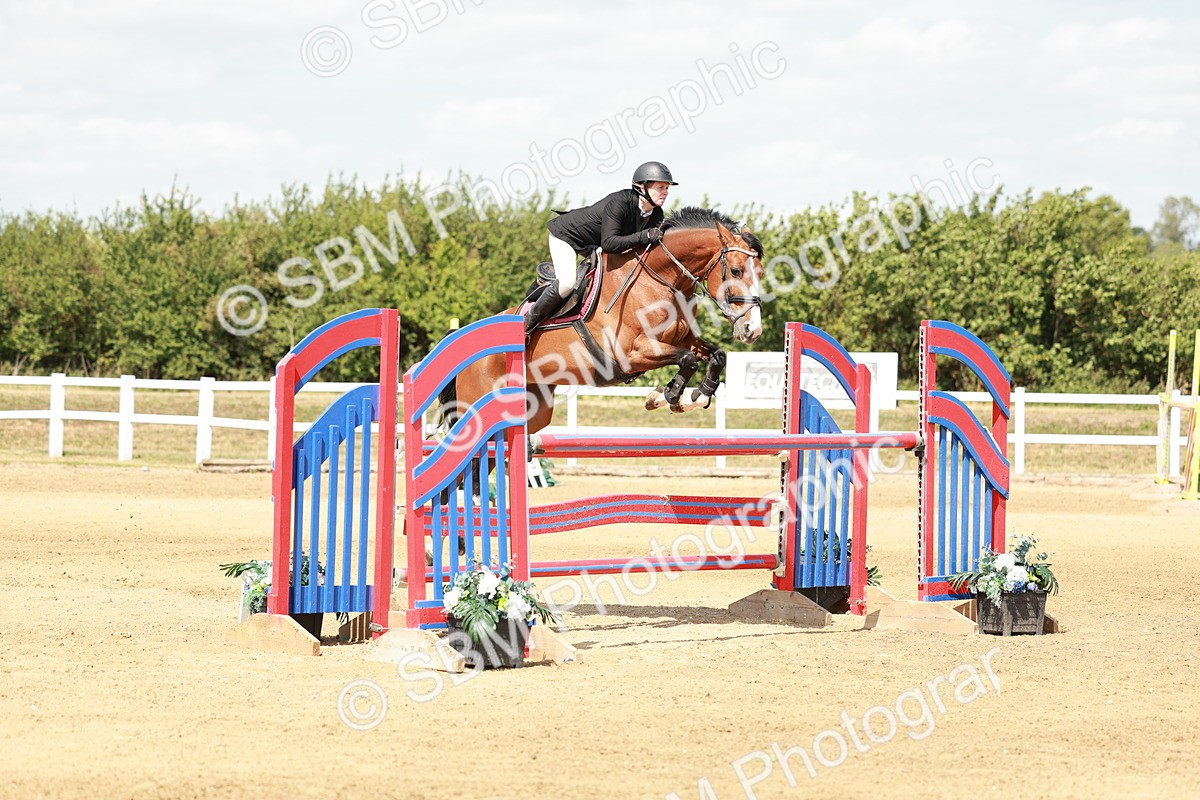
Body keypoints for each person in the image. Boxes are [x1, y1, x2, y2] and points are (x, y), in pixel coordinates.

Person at [523, 161, 678, 336]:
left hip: (593, 245)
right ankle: (526, 325)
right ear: (642, 187)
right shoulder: (620, 202)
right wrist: (645, 236)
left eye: (667, 188)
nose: (665, 192)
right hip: (567, 235)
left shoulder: (656, 213)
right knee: (567, 283)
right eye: (661, 187)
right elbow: (610, 243)